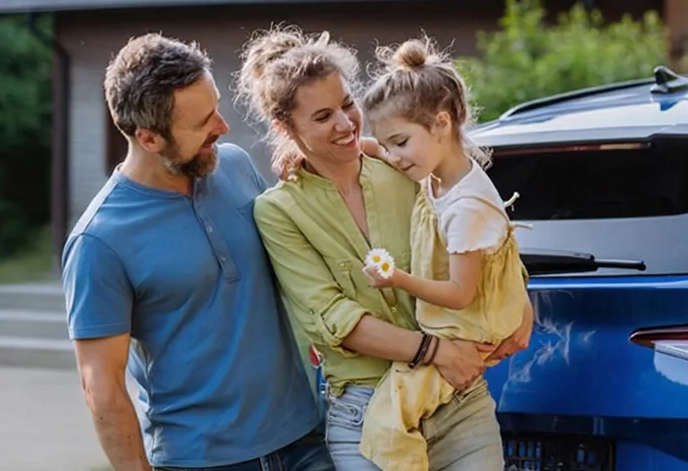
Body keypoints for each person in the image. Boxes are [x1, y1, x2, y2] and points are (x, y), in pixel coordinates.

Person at [235, 26, 533, 471]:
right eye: (321, 118)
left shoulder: (403, 166)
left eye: (347, 105)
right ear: (285, 128)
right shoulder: (279, 211)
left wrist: (521, 304)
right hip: (367, 413)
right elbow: (335, 318)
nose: (344, 124)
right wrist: (435, 350)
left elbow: (479, 235)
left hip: (458, 403)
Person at [62, 33, 331, 471]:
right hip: (203, 460)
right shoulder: (99, 242)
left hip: (306, 441)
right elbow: (101, 387)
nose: (222, 127)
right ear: (149, 139)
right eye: (202, 122)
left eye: (217, 107)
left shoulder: (237, 166)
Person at [352, 37, 532, 471]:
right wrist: (344, 148)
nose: (392, 157)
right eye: (387, 144)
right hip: (460, 322)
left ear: (441, 123)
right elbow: (379, 147)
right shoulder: (436, 169)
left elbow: (459, 293)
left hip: (469, 326)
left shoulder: (466, 207)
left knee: (388, 419)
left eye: (399, 142)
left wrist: (396, 278)